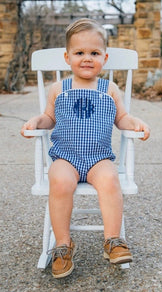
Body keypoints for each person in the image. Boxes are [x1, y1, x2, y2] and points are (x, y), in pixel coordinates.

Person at [21, 18, 150, 279]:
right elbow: (49, 117)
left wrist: (134, 122)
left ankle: (113, 240)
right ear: (67, 57)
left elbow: (122, 119)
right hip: (65, 157)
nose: (87, 58)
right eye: (80, 53)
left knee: (110, 179)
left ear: (105, 56)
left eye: (94, 53)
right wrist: (37, 121)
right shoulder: (59, 88)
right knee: (58, 181)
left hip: (98, 158)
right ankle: (63, 245)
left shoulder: (109, 89)